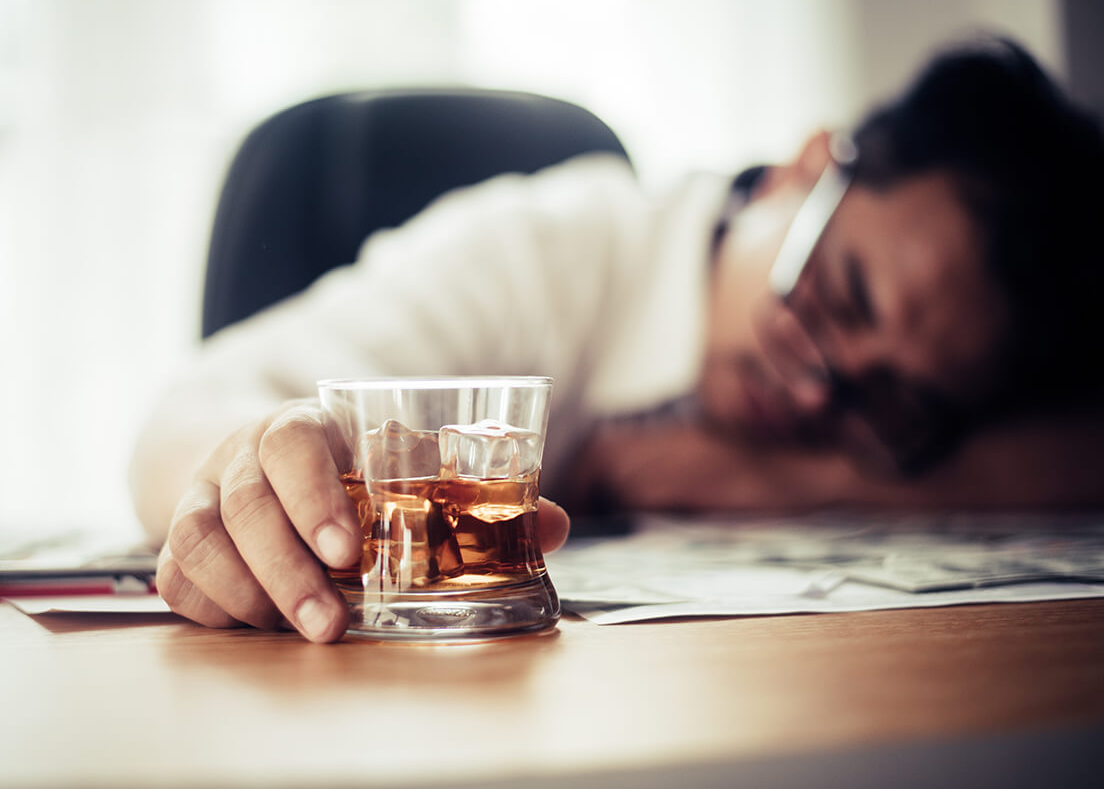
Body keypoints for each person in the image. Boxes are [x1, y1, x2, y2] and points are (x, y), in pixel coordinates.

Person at [130, 36, 1104, 642]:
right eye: (839, 295)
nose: (817, 395)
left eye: (894, 398)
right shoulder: (543, 249)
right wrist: (260, 465)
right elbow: (191, 410)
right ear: (805, 170)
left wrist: (805, 482)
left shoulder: (854, 437)